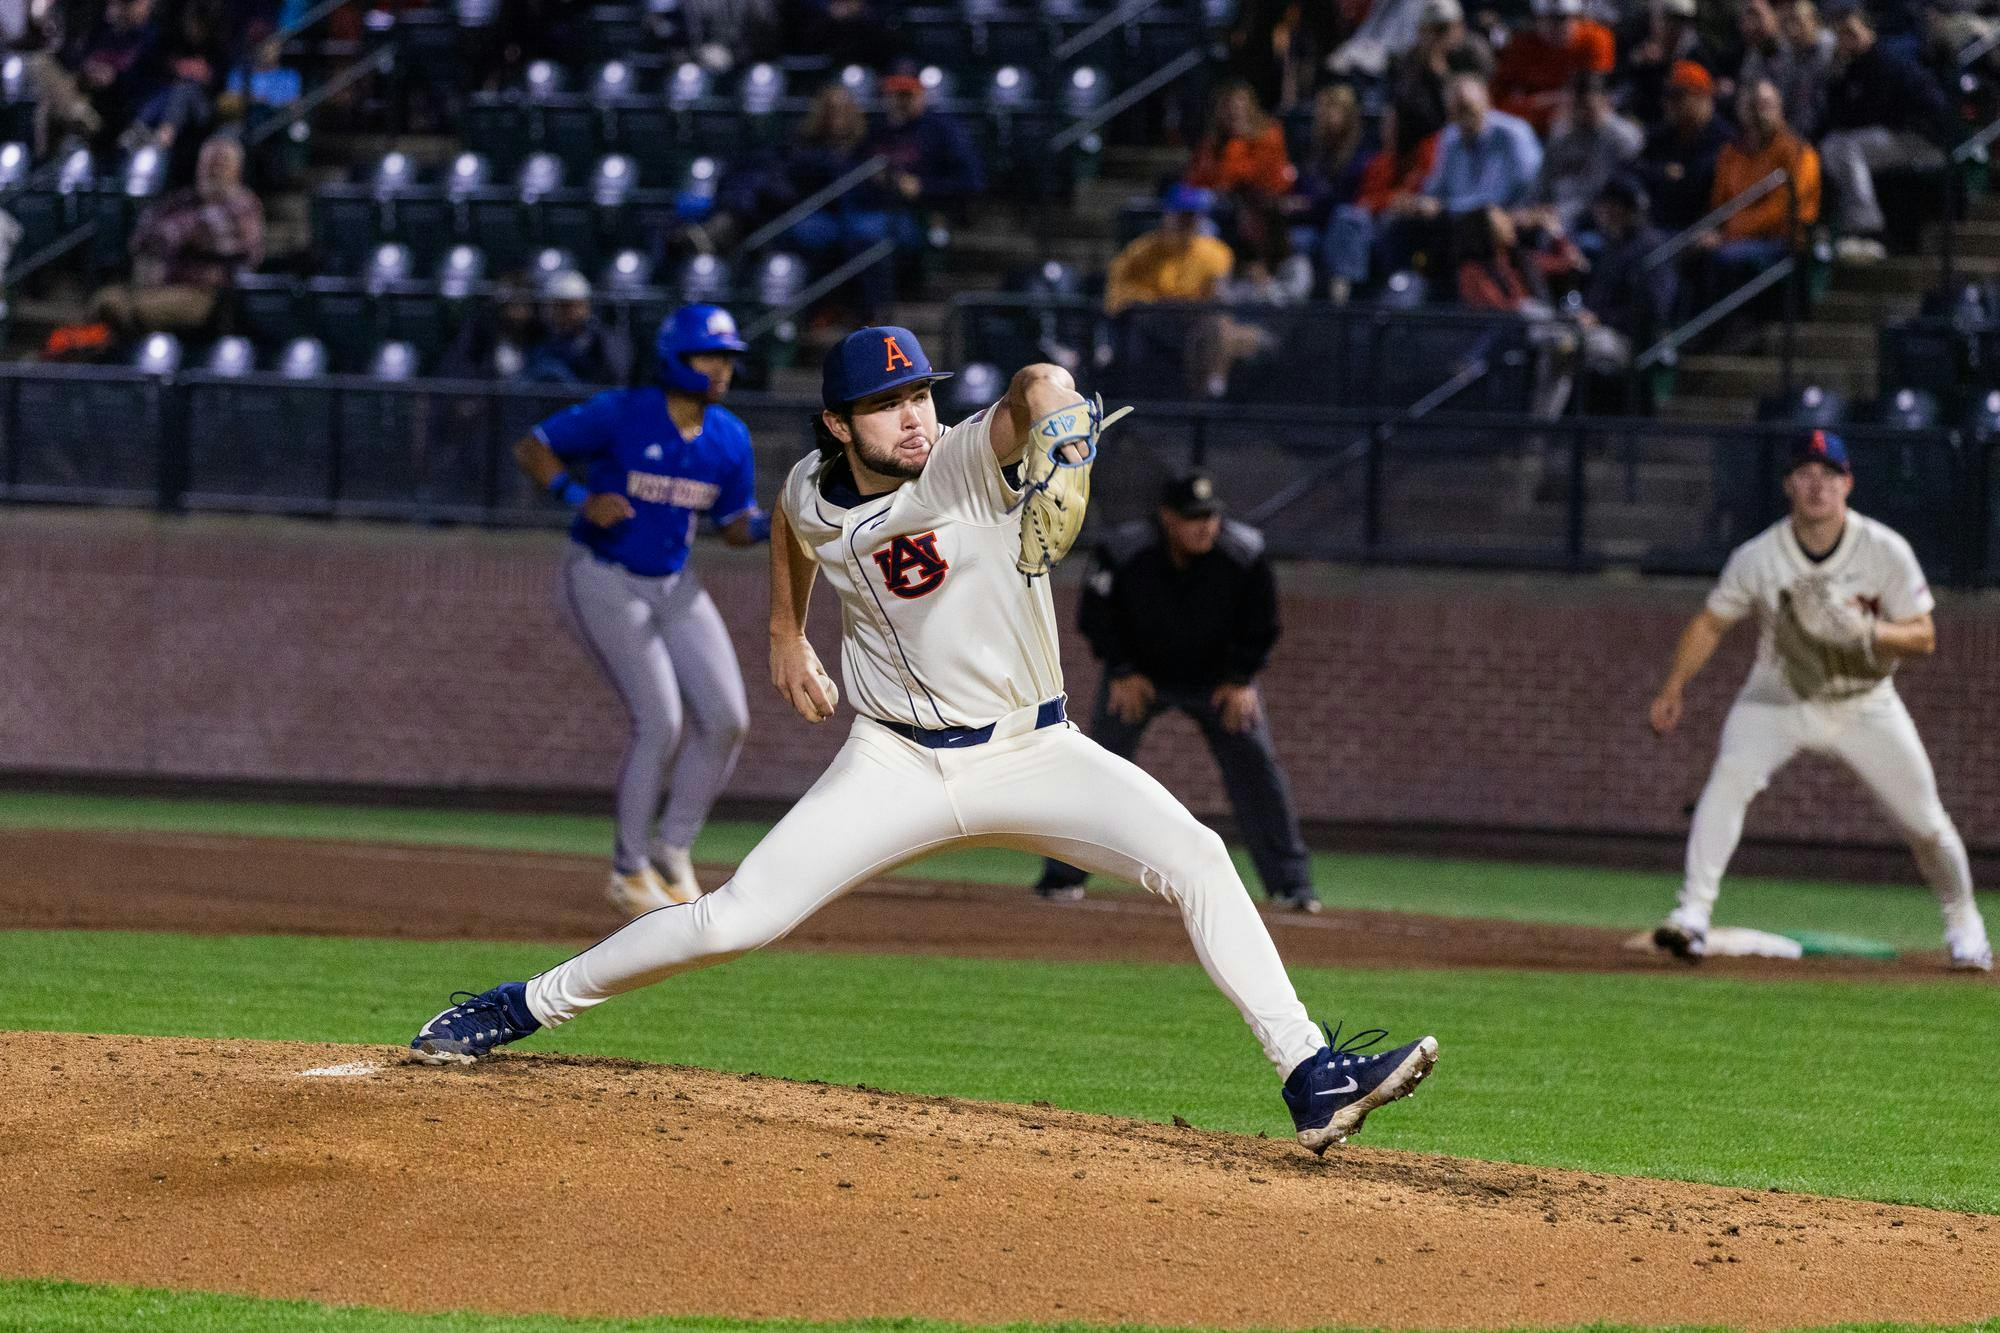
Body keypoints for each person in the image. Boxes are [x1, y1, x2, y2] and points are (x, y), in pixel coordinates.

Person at [409, 326, 1442, 1156]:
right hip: (892, 760)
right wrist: (783, 631)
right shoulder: (812, 486)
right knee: (733, 920)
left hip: (1035, 752)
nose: (912, 417)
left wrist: (1066, 448)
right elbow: (790, 526)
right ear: (837, 423)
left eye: (918, 396)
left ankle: (1309, 1073)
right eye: (885, 405)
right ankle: (518, 1005)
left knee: (1198, 858)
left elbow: (1039, 382)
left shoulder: (960, 462)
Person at [1648, 431, 1992, 972]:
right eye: (1806, 474)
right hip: (1778, 695)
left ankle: (1965, 924)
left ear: (1848, 484)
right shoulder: (1759, 556)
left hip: (1865, 701)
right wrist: (1673, 686)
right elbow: (1711, 622)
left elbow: (1925, 636)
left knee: (1925, 822)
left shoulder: (1883, 549)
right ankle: (1691, 917)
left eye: (1829, 475)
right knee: (1729, 781)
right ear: (1788, 484)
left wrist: (1868, 631)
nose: (1818, 486)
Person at [510, 304, 767, 916]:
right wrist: (575, 495)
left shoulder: (729, 436)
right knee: (661, 721)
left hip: (674, 581)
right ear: (676, 357)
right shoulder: (624, 411)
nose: (722, 369)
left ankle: (671, 850)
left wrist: (781, 520)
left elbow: (732, 527)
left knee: (729, 718)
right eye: (711, 356)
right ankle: (628, 870)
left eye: (728, 359)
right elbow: (533, 446)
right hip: (603, 576)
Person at [1033, 472, 1320, 912]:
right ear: (1167, 518)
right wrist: (1123, 669)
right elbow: (1095, 616)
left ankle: (1291, 885)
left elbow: (1264, 622)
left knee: (1257, 768)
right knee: (1097, 767)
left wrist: (1242, 678)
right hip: (1139, 678)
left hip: (1219, 682)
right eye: (1192, 518)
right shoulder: (1125, 550)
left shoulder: (1244, 551)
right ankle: (1061, 877)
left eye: (1210, 516)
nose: (1205, 526)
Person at [89, 133, 262, 339]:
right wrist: (177, 233)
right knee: (105, 301)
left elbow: (217, 238)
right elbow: (141, 237)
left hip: (204, 294)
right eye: (208, 161)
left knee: (140, 311)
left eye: (222, 162)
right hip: (157, 285)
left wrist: (176, 233)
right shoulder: (181, 199)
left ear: (236, 170)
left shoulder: (243, 204)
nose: (214, 168)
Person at [1105, 184, 1268, 398]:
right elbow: (1116, 293)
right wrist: (1150, 301)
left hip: (1194, 323)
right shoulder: (1142, 251)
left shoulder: (1215, 252)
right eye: (1182, 214)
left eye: (1193, 215)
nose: (1188, 221)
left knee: (1224, 328)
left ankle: (1209, 395)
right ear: (1168, 215)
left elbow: (1217, 296)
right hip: (1153, 321)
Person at [1818, 5, 1951, 265]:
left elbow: (1869, 112)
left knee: (1846, 147)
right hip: (1893, 136)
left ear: (1869, 31)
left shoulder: (1885, 59)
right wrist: (1836, 76)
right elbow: (1838, 117)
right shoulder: (1851, 65)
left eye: (1852, 32)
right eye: (1842, 34)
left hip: (1924, 138)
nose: (1847, 39)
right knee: (1831, 147)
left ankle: (1866, 227)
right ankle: (1852, 226)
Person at [1698, 78, 1820, 301]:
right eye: (1752, 105)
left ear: (1780, 107)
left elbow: (1781, 211)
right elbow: (1719, 204)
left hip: (1780, 241)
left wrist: (1728, 235)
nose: (1758, 113)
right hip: (1735, 237)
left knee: (1725, 259)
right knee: (1688, 254)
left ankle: (1727, 331)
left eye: (1765, 105)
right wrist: (1714, 232)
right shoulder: (1731, 153)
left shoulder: (1798, 152)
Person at [1186, 81, 1297, 273]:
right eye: (1228, 108)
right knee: (1199, 221)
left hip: (1264, 210)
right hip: (1221, 208)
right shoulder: (1213, 143)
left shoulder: (1269, 135)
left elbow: (1257, 178)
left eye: (1240, 107)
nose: (1235, 113)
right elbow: (1195, 181)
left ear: (1252, 108)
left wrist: (1237, 144)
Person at [1526, 69, 1642, 234]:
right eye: (1576, 105)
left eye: (1587, 106)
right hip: (1555, 215)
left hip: (1596, 220)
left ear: (1603, 101)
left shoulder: (1622, 137)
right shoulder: (1562, 133)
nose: (1582, 112)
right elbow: (1542, 184)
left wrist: (1558, 214)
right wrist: (1535, 210)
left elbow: (1611, 192)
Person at [1491, 0, 1615, 134]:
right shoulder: (1522, 45)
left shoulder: (1596, 39)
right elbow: (1498, 98)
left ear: (1576, 17)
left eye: (1562, 18)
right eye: (1548, 18)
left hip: (1585, 121)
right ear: (1536, 20)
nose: (1555, 26)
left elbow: (1597, 94)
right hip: (1535, 124)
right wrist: (1534, 106)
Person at [1635, 61, 1731, 233]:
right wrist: (1664, 172)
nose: (1669, 103)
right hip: (1655, 222)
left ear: (1702, 97)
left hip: (1694, 229)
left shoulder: (1723, 139)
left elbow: (1694, 184)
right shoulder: (1662, 134)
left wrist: (1662, 175)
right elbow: (1635, 168)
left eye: (1678, 96)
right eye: (1667, 96)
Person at [521, 271, 630, 386]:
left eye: (566, 306)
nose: (559, 313)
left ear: (585, 306)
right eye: (554, 306)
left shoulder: (603, 343)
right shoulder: (540, 341)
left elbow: (616, 381)